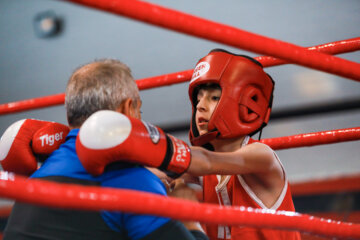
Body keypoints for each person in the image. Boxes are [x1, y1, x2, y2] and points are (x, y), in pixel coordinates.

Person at [3, 59, 208, 240]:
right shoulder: (131, 181)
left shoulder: (38, 176)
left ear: (70, 116)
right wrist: (188, 217)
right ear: (126, 109)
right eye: (139, 109)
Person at [186, 49, 301, 240]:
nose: (200, 106)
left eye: (214, 98)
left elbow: (202, 161)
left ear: (246, 105)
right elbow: (159, 169)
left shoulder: (261, 155)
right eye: (198, 99)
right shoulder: (207, 173)